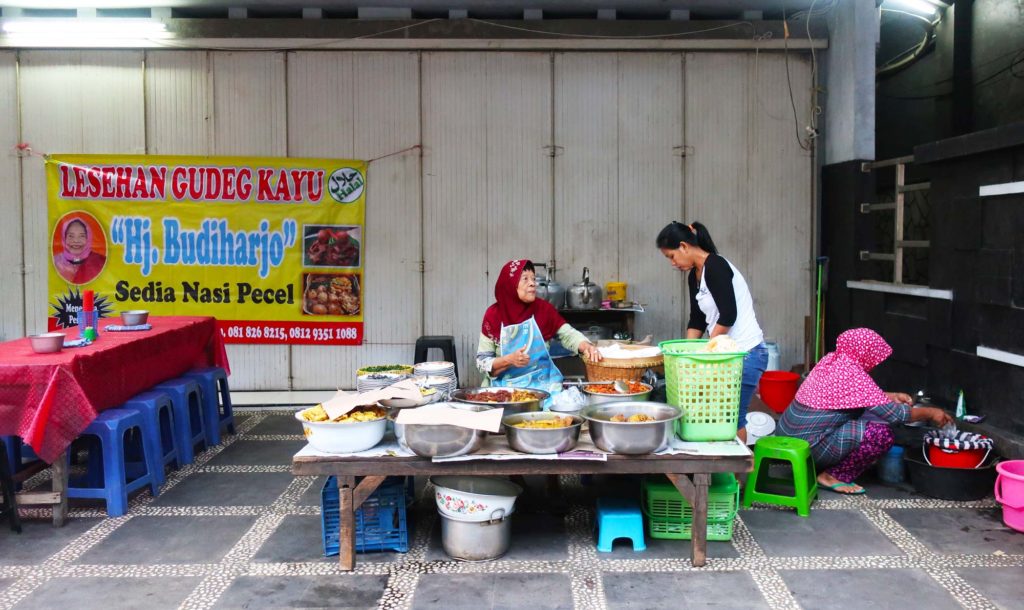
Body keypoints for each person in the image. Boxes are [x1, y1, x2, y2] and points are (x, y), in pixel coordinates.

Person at [776, 328, 953, 495]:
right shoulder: (854, 374)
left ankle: (819, 465)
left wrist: (890, 396)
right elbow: (898, 416)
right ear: (865, 355)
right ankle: (832, 476)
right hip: (809, 445)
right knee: (881, 435)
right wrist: (931, 413)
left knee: (862, 414)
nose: (875, 364)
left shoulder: (832, 361)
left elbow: (847, 394)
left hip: (786, 435)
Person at [656, 221, 768, 442]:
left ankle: (735, 476)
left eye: (671, 256)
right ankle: (721, 472)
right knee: (715, 417)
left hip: (745, 353)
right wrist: (685, 354)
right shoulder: (694, 276)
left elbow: (728, 315)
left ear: (684, 246)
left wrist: (704, 351)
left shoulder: (716, 266)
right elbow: (696, 320)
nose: (673, 263)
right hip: (724, 356)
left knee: (732, 419)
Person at [476, 259, 601, 392]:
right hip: (502, 391)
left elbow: (568, 335)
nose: (532, 284)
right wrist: (509, 360)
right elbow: (482, 362)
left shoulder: (544, 310)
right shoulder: (494, 315)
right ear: (510, 285)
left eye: (533, 279)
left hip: (544, 388)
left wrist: (586, 346)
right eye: (525, 279)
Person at [53, 217, 106, 285]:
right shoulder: (54, 262)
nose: (76, 241)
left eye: (82, 236)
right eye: (71, 236)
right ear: (64, 238)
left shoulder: (100, 262)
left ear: (88, 238)